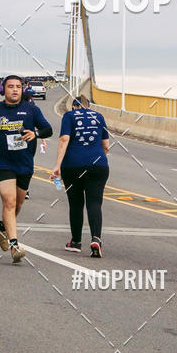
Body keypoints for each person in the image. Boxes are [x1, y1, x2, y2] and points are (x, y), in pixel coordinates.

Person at [0, 74, 52, 263]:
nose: (15, 89)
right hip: (2, 163)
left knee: (17, 205)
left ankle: (2, 227)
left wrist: (35, 133)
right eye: (11, 86)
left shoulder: (31, 109)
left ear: (22, 89)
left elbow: (48, 129)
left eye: (18, 86)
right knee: (9, 202)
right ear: (4, 90)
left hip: (24, 163)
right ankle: (14, 245)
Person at [52, 97, 110, 257]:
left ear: (74, 106)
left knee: (76, 204)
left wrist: (57, 165)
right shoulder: (99, 117)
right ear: (88, 106)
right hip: (98, 166)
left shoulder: (69, 116)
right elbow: (106, 145)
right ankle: (96, 239)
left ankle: (76, 242)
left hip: (73, 165)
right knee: (94, 202)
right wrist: (98, 159)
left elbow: (64, 139)